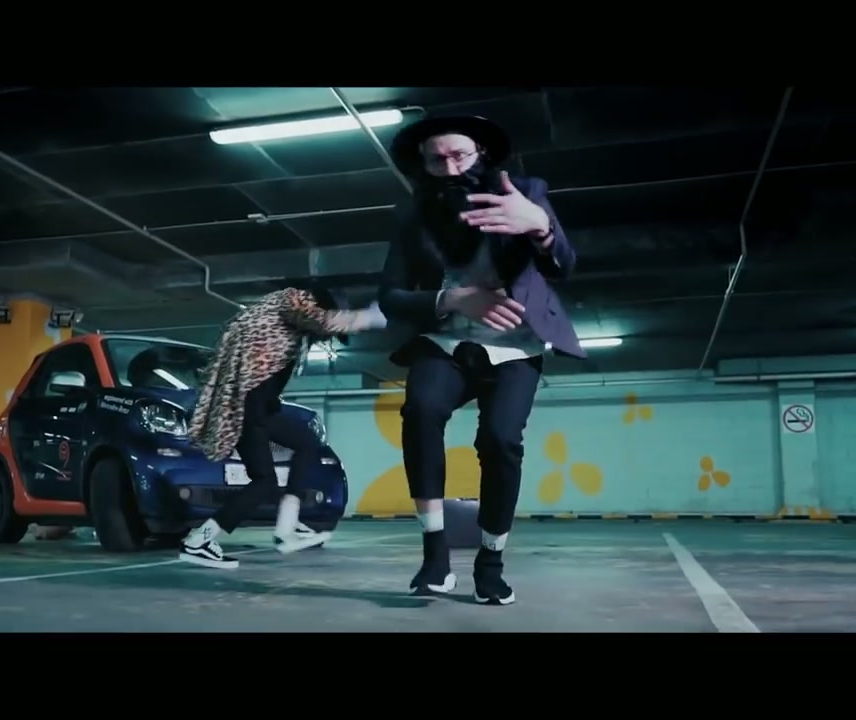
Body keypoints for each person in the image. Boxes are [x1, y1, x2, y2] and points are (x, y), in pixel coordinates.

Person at [377, 114, 585, 605]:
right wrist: (453, 299)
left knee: (500, 440)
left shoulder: (525, 192)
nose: (451, 169)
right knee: (421, 411)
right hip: (445, 340)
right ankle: (434, 555)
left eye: (460, 156)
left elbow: (565, 264)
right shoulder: (412, 214)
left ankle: (490, 564)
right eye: (437, 160)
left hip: (516, 344)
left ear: (481, 154)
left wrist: (540, 227)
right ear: (423, 164)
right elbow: (390, 297)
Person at [179, 286, 387, 569]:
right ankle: (269, 529)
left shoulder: (278, 319)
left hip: (254, 408)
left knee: (279, 468)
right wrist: (368, 318)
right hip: (250, 409)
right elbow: (320, 320)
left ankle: (279, 525)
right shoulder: (292, 300)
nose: (323, 338)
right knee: (295, 454)